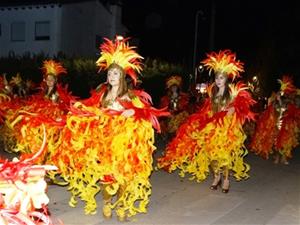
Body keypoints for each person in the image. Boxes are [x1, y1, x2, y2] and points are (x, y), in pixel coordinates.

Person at [52, 36, 168, 221]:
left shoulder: (130, 95)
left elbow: (146, 112)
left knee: (123, 175)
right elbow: (91, 109)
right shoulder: (102, 93)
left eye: (114, 74)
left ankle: (121, 205)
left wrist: (134, 113)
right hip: (105, 142)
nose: (111, 77)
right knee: (107, 175)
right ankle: (107, 202)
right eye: (109, 74)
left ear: (121, 76)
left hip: (124, 144)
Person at [157, 50, 255, 193]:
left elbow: (240, 107)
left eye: (221, 78)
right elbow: (207, 110)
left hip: (227, 129)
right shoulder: (212, 93)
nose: (218, 80)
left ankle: (226, 180)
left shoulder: (233, 94)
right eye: (217, 78)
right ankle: (216, 176)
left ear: (226, 79)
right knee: (212, 155)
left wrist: (233, 110)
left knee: (225, 156)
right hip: (213, 128)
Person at [250, 75, 299, 164]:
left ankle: (284, 157)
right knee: (276, 140)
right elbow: (272, 109)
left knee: (286, 141)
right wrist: (277, 100)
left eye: (284, 91)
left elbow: (291, 110)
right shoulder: (275, 100)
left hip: (287, 124)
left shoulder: (290, 101)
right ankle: (276, 156)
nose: (282, 92)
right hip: (277, 122)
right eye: (281, 91)